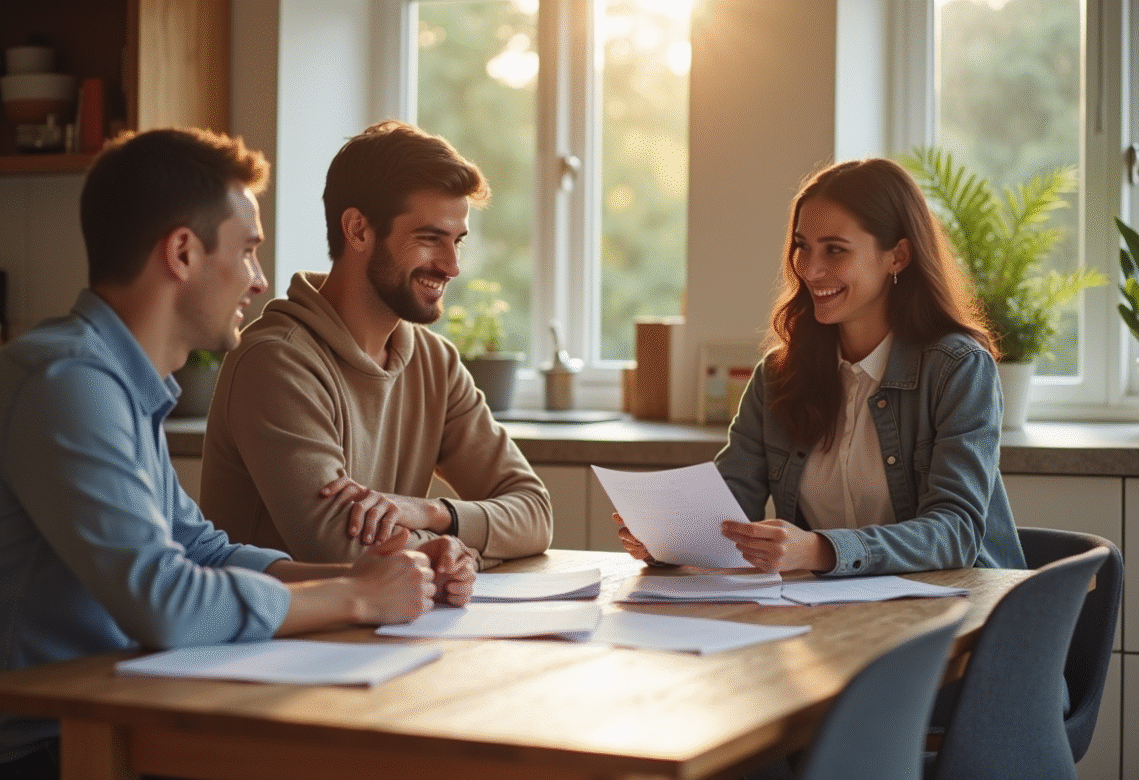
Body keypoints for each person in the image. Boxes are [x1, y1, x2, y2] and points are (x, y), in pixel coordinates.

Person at [0, 127, 474, 778]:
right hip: (42, 749)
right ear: (183, 253)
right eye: (248, 251)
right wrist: (357, 598)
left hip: (110, 716)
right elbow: (164, 602)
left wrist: (400, 569)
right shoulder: (69, 384)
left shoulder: (120, 384)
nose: (257, 281)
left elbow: (205, 552)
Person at [617, 157, 1026, 576]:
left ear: (898, 256)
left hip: (960, 608)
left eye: (835, 250)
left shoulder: (958, 370)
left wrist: (820, 551)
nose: (810, 270)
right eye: (802, 246)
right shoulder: (777, 376)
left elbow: (955, 533)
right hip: (831, 613)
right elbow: (731, 505)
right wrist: (668, 538)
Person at [199, 120, 553, 571]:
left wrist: (431, 511)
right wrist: (447, 549)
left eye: (457, 241)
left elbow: (536, 513)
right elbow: (339, 549)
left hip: (387, 628)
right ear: (359, 230)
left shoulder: (435, 362)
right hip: (278, 637)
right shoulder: (276, 361)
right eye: (430, 239)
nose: (451, 266)